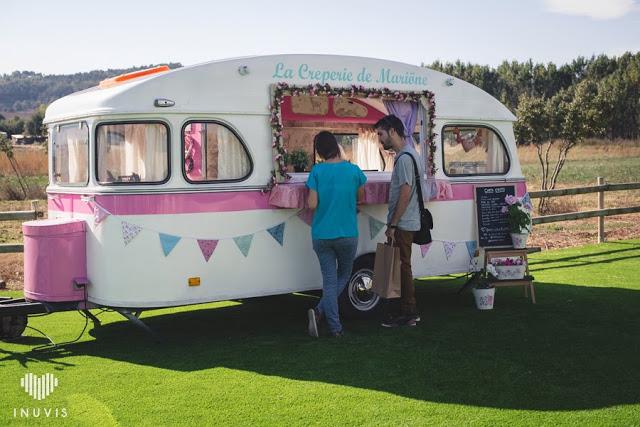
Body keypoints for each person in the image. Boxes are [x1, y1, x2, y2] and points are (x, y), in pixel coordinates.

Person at [306, 131, 367, 338]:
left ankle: (332, 324)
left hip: (321, 234)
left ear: (319, 151)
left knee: (330, 281)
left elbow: (312, 204)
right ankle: (325, 319)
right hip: (347, 233)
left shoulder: (316, 171)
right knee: (344, 275)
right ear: (336, 145)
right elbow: (361, 197)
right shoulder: (353, 170)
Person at [374, 115, 424, 327]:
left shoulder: (404, 158)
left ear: (393, 131)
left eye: (381, 134)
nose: (380, 139)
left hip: (403, 223)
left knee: (403, 267)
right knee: (402, 265)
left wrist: (393, 224)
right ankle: (403, 310)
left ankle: (408, 313)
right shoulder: (409, 155)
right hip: (406, 220)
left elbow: (405, 192)